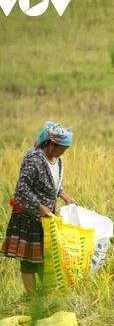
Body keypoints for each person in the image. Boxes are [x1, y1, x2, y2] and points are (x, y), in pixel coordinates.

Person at [0, 122, 77, 298]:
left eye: (65, 149)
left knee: (47, 258)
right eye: (61, 148)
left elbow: (54, 185)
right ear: (51, 144)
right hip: (28, 217)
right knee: (28, 260)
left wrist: (65, 197)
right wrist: (39, 206)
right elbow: (22, 189)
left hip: (47, 218)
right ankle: (32, 299)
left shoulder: (58, 161)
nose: (63, 152)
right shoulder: (34, 159)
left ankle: (46, 296)